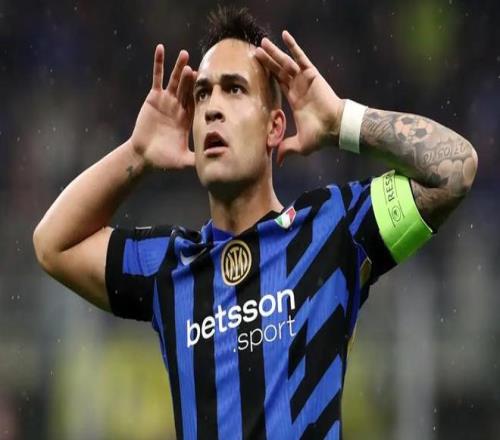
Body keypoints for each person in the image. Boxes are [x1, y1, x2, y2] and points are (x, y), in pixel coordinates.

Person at [33, 6, 478, 440]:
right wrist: (137, 155)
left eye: (234, 89)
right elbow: (53, 243)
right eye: (202, 94)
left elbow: (455, 169)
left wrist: (342, 120)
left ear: (274, 127)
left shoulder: (331, 229)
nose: (212, 108)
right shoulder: (169, 267)